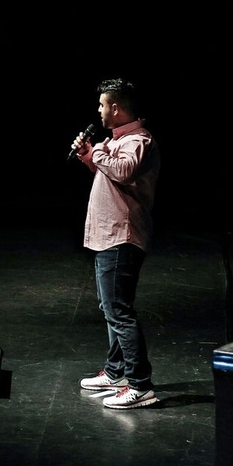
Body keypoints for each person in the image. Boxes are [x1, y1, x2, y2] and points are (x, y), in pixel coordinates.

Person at [70, 77, 161, 409]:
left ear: (117, 108)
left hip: (122, 236)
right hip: (108, 236)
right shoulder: (117, 140)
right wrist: (88, 156)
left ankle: (140, 384)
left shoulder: (139, 140)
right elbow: (110, 175)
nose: (99, 110)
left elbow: (123, 171)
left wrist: (97, 151)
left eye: (102, 105)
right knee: (111, 309)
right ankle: (116, 372)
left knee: (119, 312)